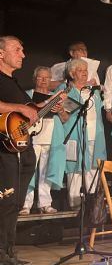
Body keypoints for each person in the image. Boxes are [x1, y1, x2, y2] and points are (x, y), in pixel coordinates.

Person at [0, 36, 65, 265]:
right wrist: (18, 108)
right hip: (4, 150)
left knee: (15, 204)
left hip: (21, 148)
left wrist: (52, 104)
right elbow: (19, 109)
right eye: (17, 49)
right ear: (1, 54)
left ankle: (8, 253)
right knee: (4, 203)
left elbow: (33, 112)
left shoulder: (13, 83)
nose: (23, 54)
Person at [62, 58, 107, 209]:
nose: (84, 73)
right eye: (80, 70)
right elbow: (64, 116)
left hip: (96, 137)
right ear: (72, 73)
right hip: (76, 136)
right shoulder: (67, 92)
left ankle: (93, 209)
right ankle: (75, 208)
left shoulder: (92, 93)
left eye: (86, 70)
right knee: (75, 171)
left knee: (94, 170)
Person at [22, 66, 68, 215]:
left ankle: (45, 203)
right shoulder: (27, 95)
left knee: (46, 172)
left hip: (51, 139)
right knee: (28, 172)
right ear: (35, 78)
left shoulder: (57, 97)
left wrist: (60, 110)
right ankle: (25, 204)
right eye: (41, 77)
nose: (44, 80)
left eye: (47, 78)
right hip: (32, 138)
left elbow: (66, 119)